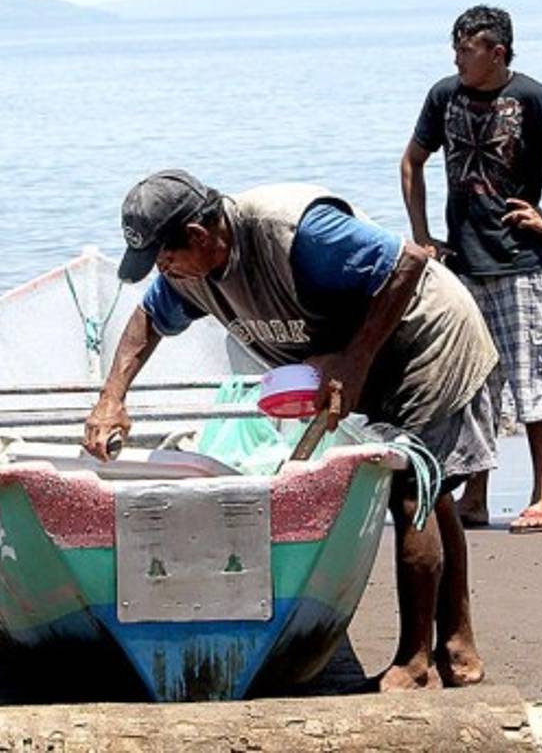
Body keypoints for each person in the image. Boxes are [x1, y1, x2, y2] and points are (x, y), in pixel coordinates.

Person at [84, 170, 500, 691]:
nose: (164, 273)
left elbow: (408, 262)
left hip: (425, 338)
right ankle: (458, 646)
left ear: (198, 234)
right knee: (430, 488)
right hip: (362, 356)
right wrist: (112, 398)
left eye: (167, 259)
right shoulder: (190, 274)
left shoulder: (293, 231)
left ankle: (417, 663)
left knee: (412, 488)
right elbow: (148, 320)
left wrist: (352, 362)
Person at [399, 4, 542, 533]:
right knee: (473, 384)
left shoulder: (533, 97)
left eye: (465, 49)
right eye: (453, 48)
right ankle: (476, 495)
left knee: (530, 379)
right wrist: (425, 237)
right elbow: (412, 162)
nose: (456, 59)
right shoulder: (443, 95)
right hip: (462, 265)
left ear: (497, 53)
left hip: (518, 264)